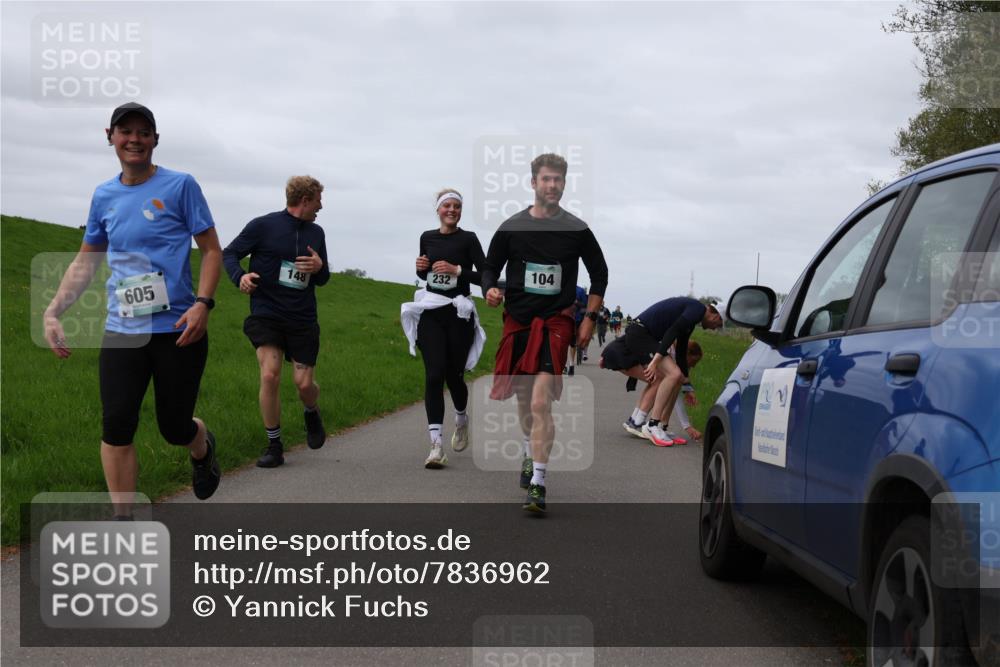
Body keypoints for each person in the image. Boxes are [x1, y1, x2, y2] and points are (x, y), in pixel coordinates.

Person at [43, 102, 222, 516]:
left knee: (174, 428)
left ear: (155, 140)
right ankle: (123, 521)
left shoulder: (181, 186)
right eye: (126, 132)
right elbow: (86, 260)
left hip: (179, 328)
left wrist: (203, 304)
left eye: (144, 132)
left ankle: (201, 446)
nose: (135, 140)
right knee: (117, 426)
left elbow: (211, 250)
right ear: (110, 136)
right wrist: (53, 311)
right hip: (122, 329)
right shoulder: (103, 195)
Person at [482, 153, 609, 513]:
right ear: (533, 183)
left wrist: (589, 318)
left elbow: (599, 274)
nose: (552, 186)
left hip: (556, 322)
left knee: (541, 401)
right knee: (524, 400)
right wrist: (490, 288)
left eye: (559, 180)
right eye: (546, 179)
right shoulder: (511, 227)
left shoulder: (577, 229)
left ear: (564, 185)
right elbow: (490, 267)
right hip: (518, 321)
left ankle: (538, 481)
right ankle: (528, 448)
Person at [223, 176, 330, 468]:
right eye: (319, 200)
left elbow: (323, 278)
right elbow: (229, 253)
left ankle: (311, 411)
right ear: (306, 200)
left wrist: (319, 267)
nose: (322, 206)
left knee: (304, 384)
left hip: (302, 318)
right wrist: (240, 276)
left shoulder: (317, 232)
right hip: (266, 312)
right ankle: (274, 445)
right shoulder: (263, 225)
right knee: (269, 375)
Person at [401, 188, 487, 469]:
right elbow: (425, 273)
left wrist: (458, 270)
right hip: (431, 312)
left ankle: (461, 417)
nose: (452, 210)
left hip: (458, 315)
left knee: (454, 377)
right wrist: (420, 266)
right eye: (447, 206)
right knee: (434, 374)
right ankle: (436, 446)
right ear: (438, 210)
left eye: (457, 206)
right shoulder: (427, 237)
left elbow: (486, 274)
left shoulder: (469, 239)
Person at [600, 297, 723, 447]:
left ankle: (651, 424)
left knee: (676, 377)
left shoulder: (692, 316)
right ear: (716, 315)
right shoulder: (697, 310)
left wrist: (687, 386)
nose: (715, 328)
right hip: (640, 333)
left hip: (641, 333)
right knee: (671, 374)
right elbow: (672, 331)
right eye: (718, 325)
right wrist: (656, 360)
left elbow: (681, 351)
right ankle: (652, 425)